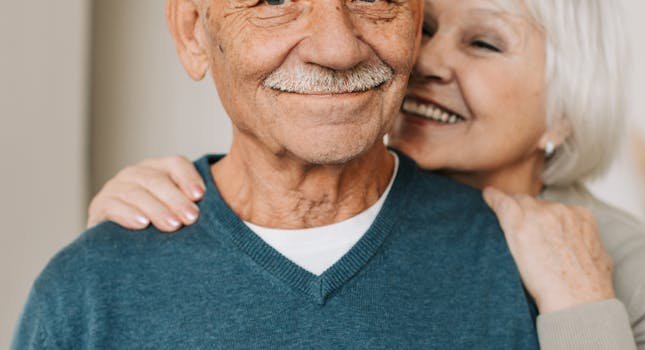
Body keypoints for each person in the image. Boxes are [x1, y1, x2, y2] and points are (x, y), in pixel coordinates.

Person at [85, 0, 645, 349]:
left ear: (566, 109)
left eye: (485, 44)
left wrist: (582, 307)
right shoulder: (316, 212)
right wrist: (134, 247)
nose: (426, 61)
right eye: (427, 28)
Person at [12, 0, 544, 349]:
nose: (337, 48)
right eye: (273, 1)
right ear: (193, 31)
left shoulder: (528, 267)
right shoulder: (89, 288)